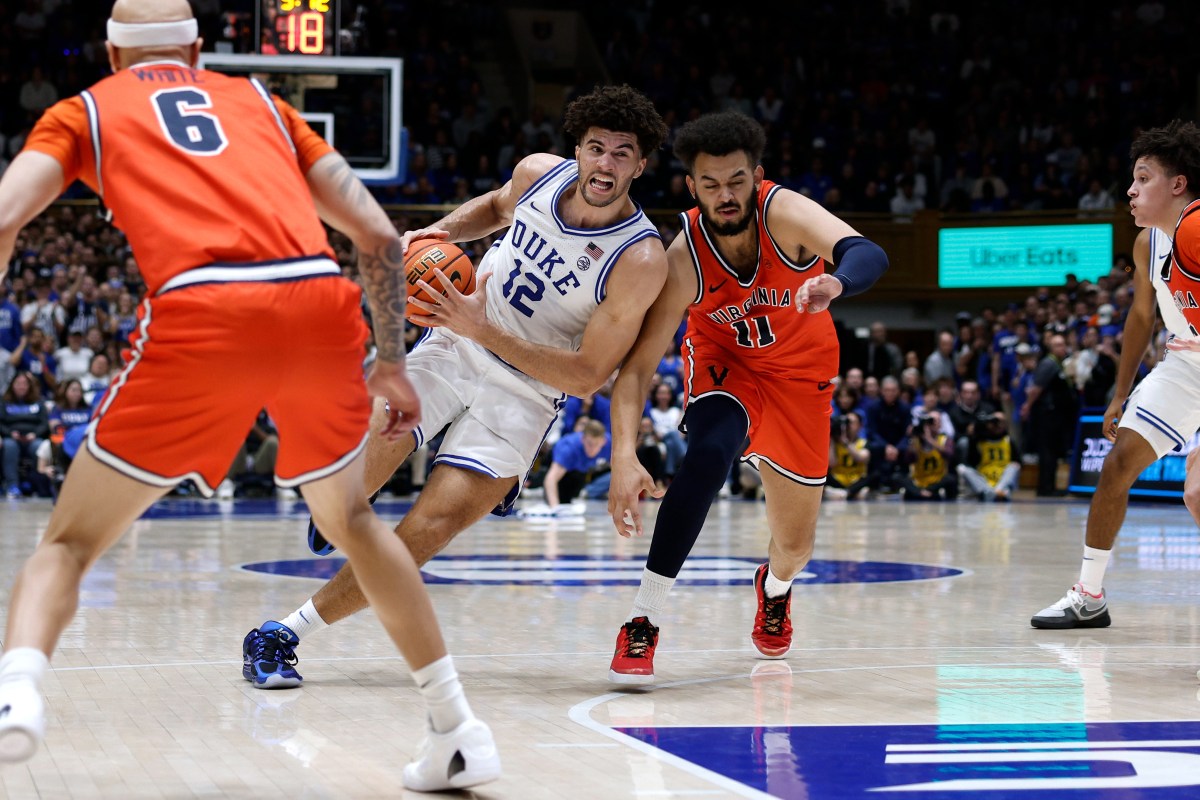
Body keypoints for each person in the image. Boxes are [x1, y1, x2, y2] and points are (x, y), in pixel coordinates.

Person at [0, 2, 501, 791]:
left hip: (202, 307)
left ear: (112, 54)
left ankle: (17, 689)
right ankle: (455, 728)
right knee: (355, 523)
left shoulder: (85, 108)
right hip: (316, 305)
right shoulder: (262, 102)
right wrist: (392, 362)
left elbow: (5, 215)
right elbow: (378, 236)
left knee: (67, 544)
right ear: (198, 50)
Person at [247, 85, 670, 680]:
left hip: (527, 390)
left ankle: (283, 634)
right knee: (372, 434)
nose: (606, 163)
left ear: (640, 165)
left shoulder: (639, 259)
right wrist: (430, 237)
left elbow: (587, 376)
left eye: (622, 153)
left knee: (430, 528)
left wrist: (482, 328)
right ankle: (348, 499)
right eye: (596, 148)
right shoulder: (537, 175)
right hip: (456, 343)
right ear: (577, 149)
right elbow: (494, 208)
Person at [602, 111, 888, 683]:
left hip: (801, 384)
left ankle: (775, 587)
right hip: (727, 368)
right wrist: (623, 454)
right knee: (708, 455)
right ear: (692, 187)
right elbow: (636, 370)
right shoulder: (683, 257)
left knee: (795, 546)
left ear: (756, 177)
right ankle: (643, 619)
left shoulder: (784, 213)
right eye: (710, 184)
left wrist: (837, 281)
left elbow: (867, 253)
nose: (725, 195)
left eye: (736, 181)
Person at [1032, 119, 1200, 630]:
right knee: (1117, 463)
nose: (1130, 189)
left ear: (1178, 184)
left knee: (1196, 493)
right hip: (1185, 362)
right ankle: (1089, 596)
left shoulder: (1196, 227)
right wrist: (1119, 393)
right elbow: (1142, 317)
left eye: (1144, 178)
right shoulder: (1149, 243)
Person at [957, 410, 1022, 501]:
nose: (998, 425)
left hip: (1002, 478)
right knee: (963, 468)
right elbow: (972, 462)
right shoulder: (980, 441)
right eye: (995, 421)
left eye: (1001, 422)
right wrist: (973, 435)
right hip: (984, 478)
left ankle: (995, 492)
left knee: (1014, 466)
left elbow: (1018, 462)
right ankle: (995, 493)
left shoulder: (1008, 440)